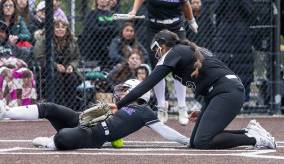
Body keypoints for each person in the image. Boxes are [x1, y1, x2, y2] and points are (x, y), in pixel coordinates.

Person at [113, 29, 276, 149]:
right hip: (220, 92)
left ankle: (254, 138)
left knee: (202, 142)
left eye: (156, 49)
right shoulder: (183, 51)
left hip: (227, 91)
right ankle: (250, 132)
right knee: (195, 142)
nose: (156, 53)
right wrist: (208, 108)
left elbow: (147, 84)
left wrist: (119, 105)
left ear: (162, 45)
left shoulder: (174, 52)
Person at [0, 78, 189, 150]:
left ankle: (52, 142)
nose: (119, 93)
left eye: (125, 90)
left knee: (64, 136)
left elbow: (164, 130)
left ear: (139, 93)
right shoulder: (117, 105)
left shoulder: (144, 111)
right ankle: (4, 112)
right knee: (50, 108)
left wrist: (187, 141)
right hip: (80, 118)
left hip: (94, 135)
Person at [127, 0, 197, 125]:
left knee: (180, 65)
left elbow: (185, 4)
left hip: (175, 29)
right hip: (155, 29)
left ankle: (182, 107)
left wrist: (191, 20)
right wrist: (134, 9)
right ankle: (161, 107)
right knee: (159, 68)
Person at [213, 0, 255, 102]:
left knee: (244, 68)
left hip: (242, 38)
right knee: (223, 66)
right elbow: (215, 10)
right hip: (224, 38)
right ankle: (224, 95)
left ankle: (244, 98)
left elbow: (250, 13)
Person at [0, 21, 36, 106]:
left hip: (13, 69)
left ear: (6, 34)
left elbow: (23, 59)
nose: (0, 34)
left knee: (27, 72)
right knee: (6, 72)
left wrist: (12, 62)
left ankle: (27, 105)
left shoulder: (11, 46)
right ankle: (6, 106)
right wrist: (3, 62)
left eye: (3, 31)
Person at [34, 19, 81, 109]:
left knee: (72, 78)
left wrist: (71, 66)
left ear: (67, 29)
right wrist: (55, 66)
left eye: (63, 27)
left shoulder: (72, 40)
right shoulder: (44, 39)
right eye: (57, 27)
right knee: (57, 77)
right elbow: (39, 57)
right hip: (47, 70)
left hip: (67, 70)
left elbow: (77, 58)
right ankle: (59, 107)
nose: (60, 29)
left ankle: (71, 108)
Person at [79, 0, 118, 70]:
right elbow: (93, 29)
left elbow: (117, 29)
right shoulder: (92, 14)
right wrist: (109, 29)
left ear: (109, 0)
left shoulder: (112, 14)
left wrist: (103, 29)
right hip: (94, 49)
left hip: (109, 48)